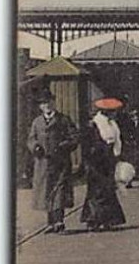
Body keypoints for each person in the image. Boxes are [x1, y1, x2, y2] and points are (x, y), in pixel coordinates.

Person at [27, 89, 78, 233]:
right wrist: (35, 147)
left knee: (59, 190)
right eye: (43, 103)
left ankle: (59, 221)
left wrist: (66, 145)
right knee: (46, 192)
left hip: (60, 162)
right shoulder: (37, 122)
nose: (47, 105)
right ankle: (50, 223)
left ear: (53, 103)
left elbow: (75, 136)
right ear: (40, 106)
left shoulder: (64, 119)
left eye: (49, 102)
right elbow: (31, 139)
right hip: (43, 163)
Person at [81, 99, 128, 232]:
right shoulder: (94, 124)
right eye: (113, 112)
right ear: (106, 112)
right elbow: (89, 144)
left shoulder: (112, 124)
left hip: (109, 160)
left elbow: (118, 140)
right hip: (96, 161)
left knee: (108, 190)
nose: (115, 114)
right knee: (96, 191)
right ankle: (93, 220)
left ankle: (107, 220)